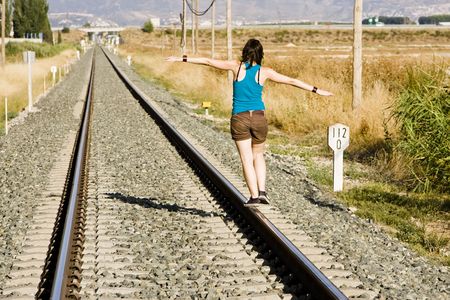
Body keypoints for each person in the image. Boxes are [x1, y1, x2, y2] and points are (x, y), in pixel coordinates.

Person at [166, 39, 333, 205]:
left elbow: (208, 61)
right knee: (258, 155)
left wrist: (182, 59)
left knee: (246, 159)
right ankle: (262, 192)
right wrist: (317, 90)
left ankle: (254, 197)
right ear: (260, 54)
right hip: (259, 118)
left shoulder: (235, 66)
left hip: (240, 118)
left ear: (244, 52)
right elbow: (291, 81)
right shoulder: (265, 71)